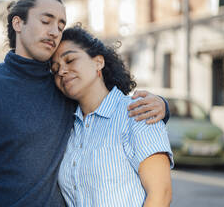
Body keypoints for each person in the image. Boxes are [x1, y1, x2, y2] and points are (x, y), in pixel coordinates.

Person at [0, 0, 170, 207]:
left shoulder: (64, 88)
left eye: (61, 26)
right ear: (18, 23)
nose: (54, 31)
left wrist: (162, 106)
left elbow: (106, 103)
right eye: (46, 21)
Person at [51, 26, 173, 207]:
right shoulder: (68, 128)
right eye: (55, 69)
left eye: (70, 60)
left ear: (98, 62)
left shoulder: (137, 112)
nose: (61, 71)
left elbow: (160, 195)